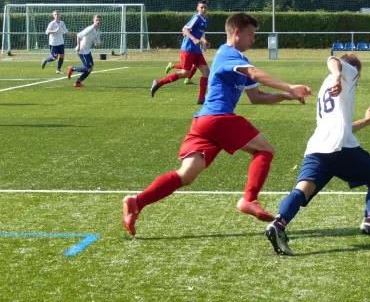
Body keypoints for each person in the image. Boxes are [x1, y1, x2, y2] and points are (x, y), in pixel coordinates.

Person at [123, 13, 313, 237]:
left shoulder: (239, 61)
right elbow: (254, 73)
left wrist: (287, 96)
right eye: (250, 34)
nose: (253, 39)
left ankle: (137, 201)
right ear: (236, 32)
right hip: (218, 119)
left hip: (203, 123)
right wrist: (290, 86)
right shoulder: (228, 55)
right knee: (265, 150)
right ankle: (249, 199)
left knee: (186, 175)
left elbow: (257, 97)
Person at [265, 54, 370, 256]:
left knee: (304, 189)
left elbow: (341, 126)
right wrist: (338, 74)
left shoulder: (324, 86)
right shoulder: (348, 73)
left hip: (318, 146)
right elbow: (332, 58)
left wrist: (364, 122)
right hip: (341, 147)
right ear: (354, 69)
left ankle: (278, 224)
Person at [151, 0, 211, 104]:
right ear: (197, 8)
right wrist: (193, 39)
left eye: (205, 7)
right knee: (184, 73)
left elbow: (198, 33)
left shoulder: (205, 19)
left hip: (196, 51)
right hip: (188, 49)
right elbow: (185, 29)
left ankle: (201, 99)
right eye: (201, 7)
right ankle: (158, 83)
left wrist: (204, 42)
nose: (203, 9)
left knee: (206, 71)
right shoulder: (196, 18)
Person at [67, 14, 103, 87]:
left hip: (88, 51)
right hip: (82, 51)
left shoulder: (98, 31)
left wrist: (100, 43)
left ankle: (78, 82)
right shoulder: (90, 28)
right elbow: (79, 35)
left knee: (90, 68)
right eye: (96, 20)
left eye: (99, 20)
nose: (98, 21)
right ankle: (72, 68)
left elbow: (96, 43)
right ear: (93, 20)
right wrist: (79, 47)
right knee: (88, 68)